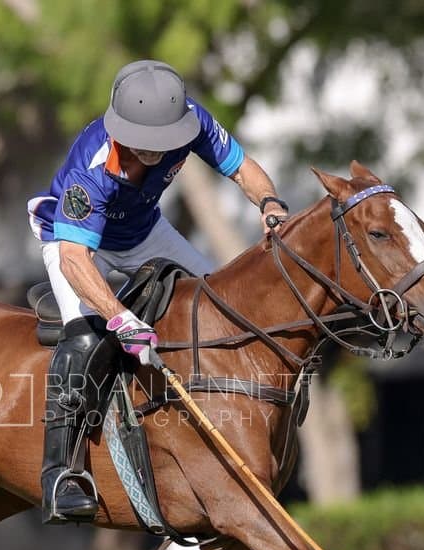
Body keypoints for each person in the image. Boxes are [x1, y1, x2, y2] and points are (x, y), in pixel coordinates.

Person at [27, 59, 289, 524]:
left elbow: (244, 169)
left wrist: (269, 203)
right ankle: (61, 474)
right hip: (74, 244)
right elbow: (74, 260)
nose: (154, 152)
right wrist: (119, 317)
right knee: (87, 337)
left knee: (221, 307)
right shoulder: (91, 170)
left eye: (162, 144)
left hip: (146, 233)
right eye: (144, 144)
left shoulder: (190, 121)